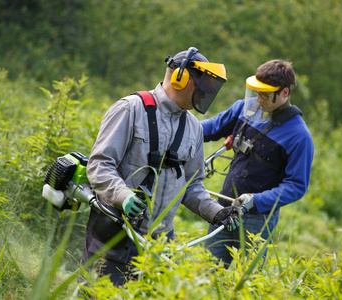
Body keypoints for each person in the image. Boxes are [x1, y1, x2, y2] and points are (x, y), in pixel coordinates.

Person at [80, 47, 240, 285]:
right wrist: (122, 196)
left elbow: (192, 186)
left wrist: (217, 212)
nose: (205, 94)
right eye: (202, 86)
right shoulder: (130, 109)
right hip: (113, 235)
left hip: (157, 249)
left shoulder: (194, 128)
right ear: (180, 77)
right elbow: (100, 165)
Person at [201, 59, 314, 267]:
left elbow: (297, 186)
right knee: (207, 272)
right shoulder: (245, 108)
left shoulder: (299, 136)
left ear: (285, 93)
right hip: (224, 209)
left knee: (249, 281)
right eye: (257, 91)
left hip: (258, 220)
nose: (258, 98)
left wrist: (256, 200)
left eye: (265, 94)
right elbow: (212, 127)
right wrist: (181, 128)